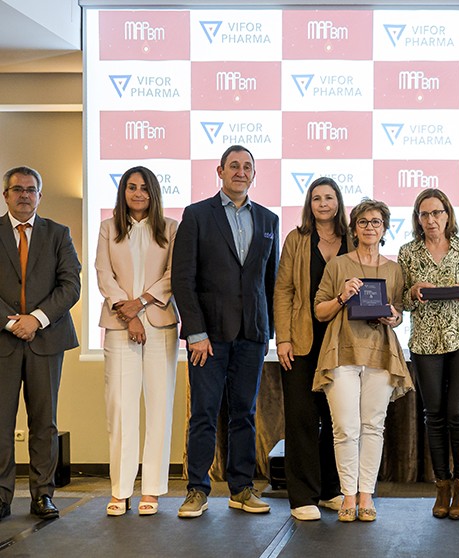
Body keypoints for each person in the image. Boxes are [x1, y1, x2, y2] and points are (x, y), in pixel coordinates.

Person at [171, 145, 280, 518]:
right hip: (209, 338)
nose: (240, 172)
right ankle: (197, 490)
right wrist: (195, 332)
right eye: (234, 165)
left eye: (247, 167)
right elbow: (183, 279)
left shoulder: (268, 219)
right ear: (220, 171)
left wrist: (269, 331)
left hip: (252, 335)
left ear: (254, 174)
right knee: (203, 413)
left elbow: (270, 282)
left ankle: (241, 489)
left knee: (244, 414)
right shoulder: (197, 215)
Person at [313, 199, 412, 523]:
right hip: (342, 351)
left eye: (376, 222)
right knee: (345, 427)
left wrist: (393, 317)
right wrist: (342, 296)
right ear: (354, 229)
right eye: (364, 222)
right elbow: (320, 311)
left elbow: (398, 313)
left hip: (380, 354)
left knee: (372, 426)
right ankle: (348, 495)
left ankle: (366, 494)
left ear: (384, 229)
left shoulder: (394, 270)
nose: (370, 227)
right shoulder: (338, 265)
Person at [95, 166, 179, 516]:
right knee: (120, 407)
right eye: (131, 187)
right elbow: (103, 273)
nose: (138, 193)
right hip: (119, 324)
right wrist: (127, 313)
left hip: (160, 323)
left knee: (159, 407)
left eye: (144, 187)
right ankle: (121, 490)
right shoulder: (108, 227)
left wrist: (141, 303)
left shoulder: (171, 228)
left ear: (153, 192)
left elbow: (174, 274)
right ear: (123, 192)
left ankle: (153, 490)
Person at [398, 188, 459, 520]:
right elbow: (401, 302)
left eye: (437, 212)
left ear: (448, 215)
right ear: (417, 219)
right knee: (433, 415)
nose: (431, 219)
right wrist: (412, 292)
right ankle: (442, 486)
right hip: (425, 343)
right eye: (424, 214)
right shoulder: (408, 252)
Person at [0, 166, 81, 521]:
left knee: (44, 422)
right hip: (2, 340)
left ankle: (43, 495)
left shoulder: (58, 234)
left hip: (46, 339)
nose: (24, 195)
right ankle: (1, 497)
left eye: (31, 190)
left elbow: (71, 285)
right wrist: (11, 322)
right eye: (17, 189)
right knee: (0, 422)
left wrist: (36, 319)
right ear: (5, 195)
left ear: (39, 196)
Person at [274, 177, 348, 521]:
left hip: (342, 342)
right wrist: (283, 338)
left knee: (337, 418)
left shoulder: (352, 238)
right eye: (316, 198)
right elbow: (283, 290)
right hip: (302, 341)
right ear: (310, 204)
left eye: (329, 197)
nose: (323, 204)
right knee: (302, 418)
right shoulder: (297, 239)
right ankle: (302, 496)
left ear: (338, 202)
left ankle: (331, 490)